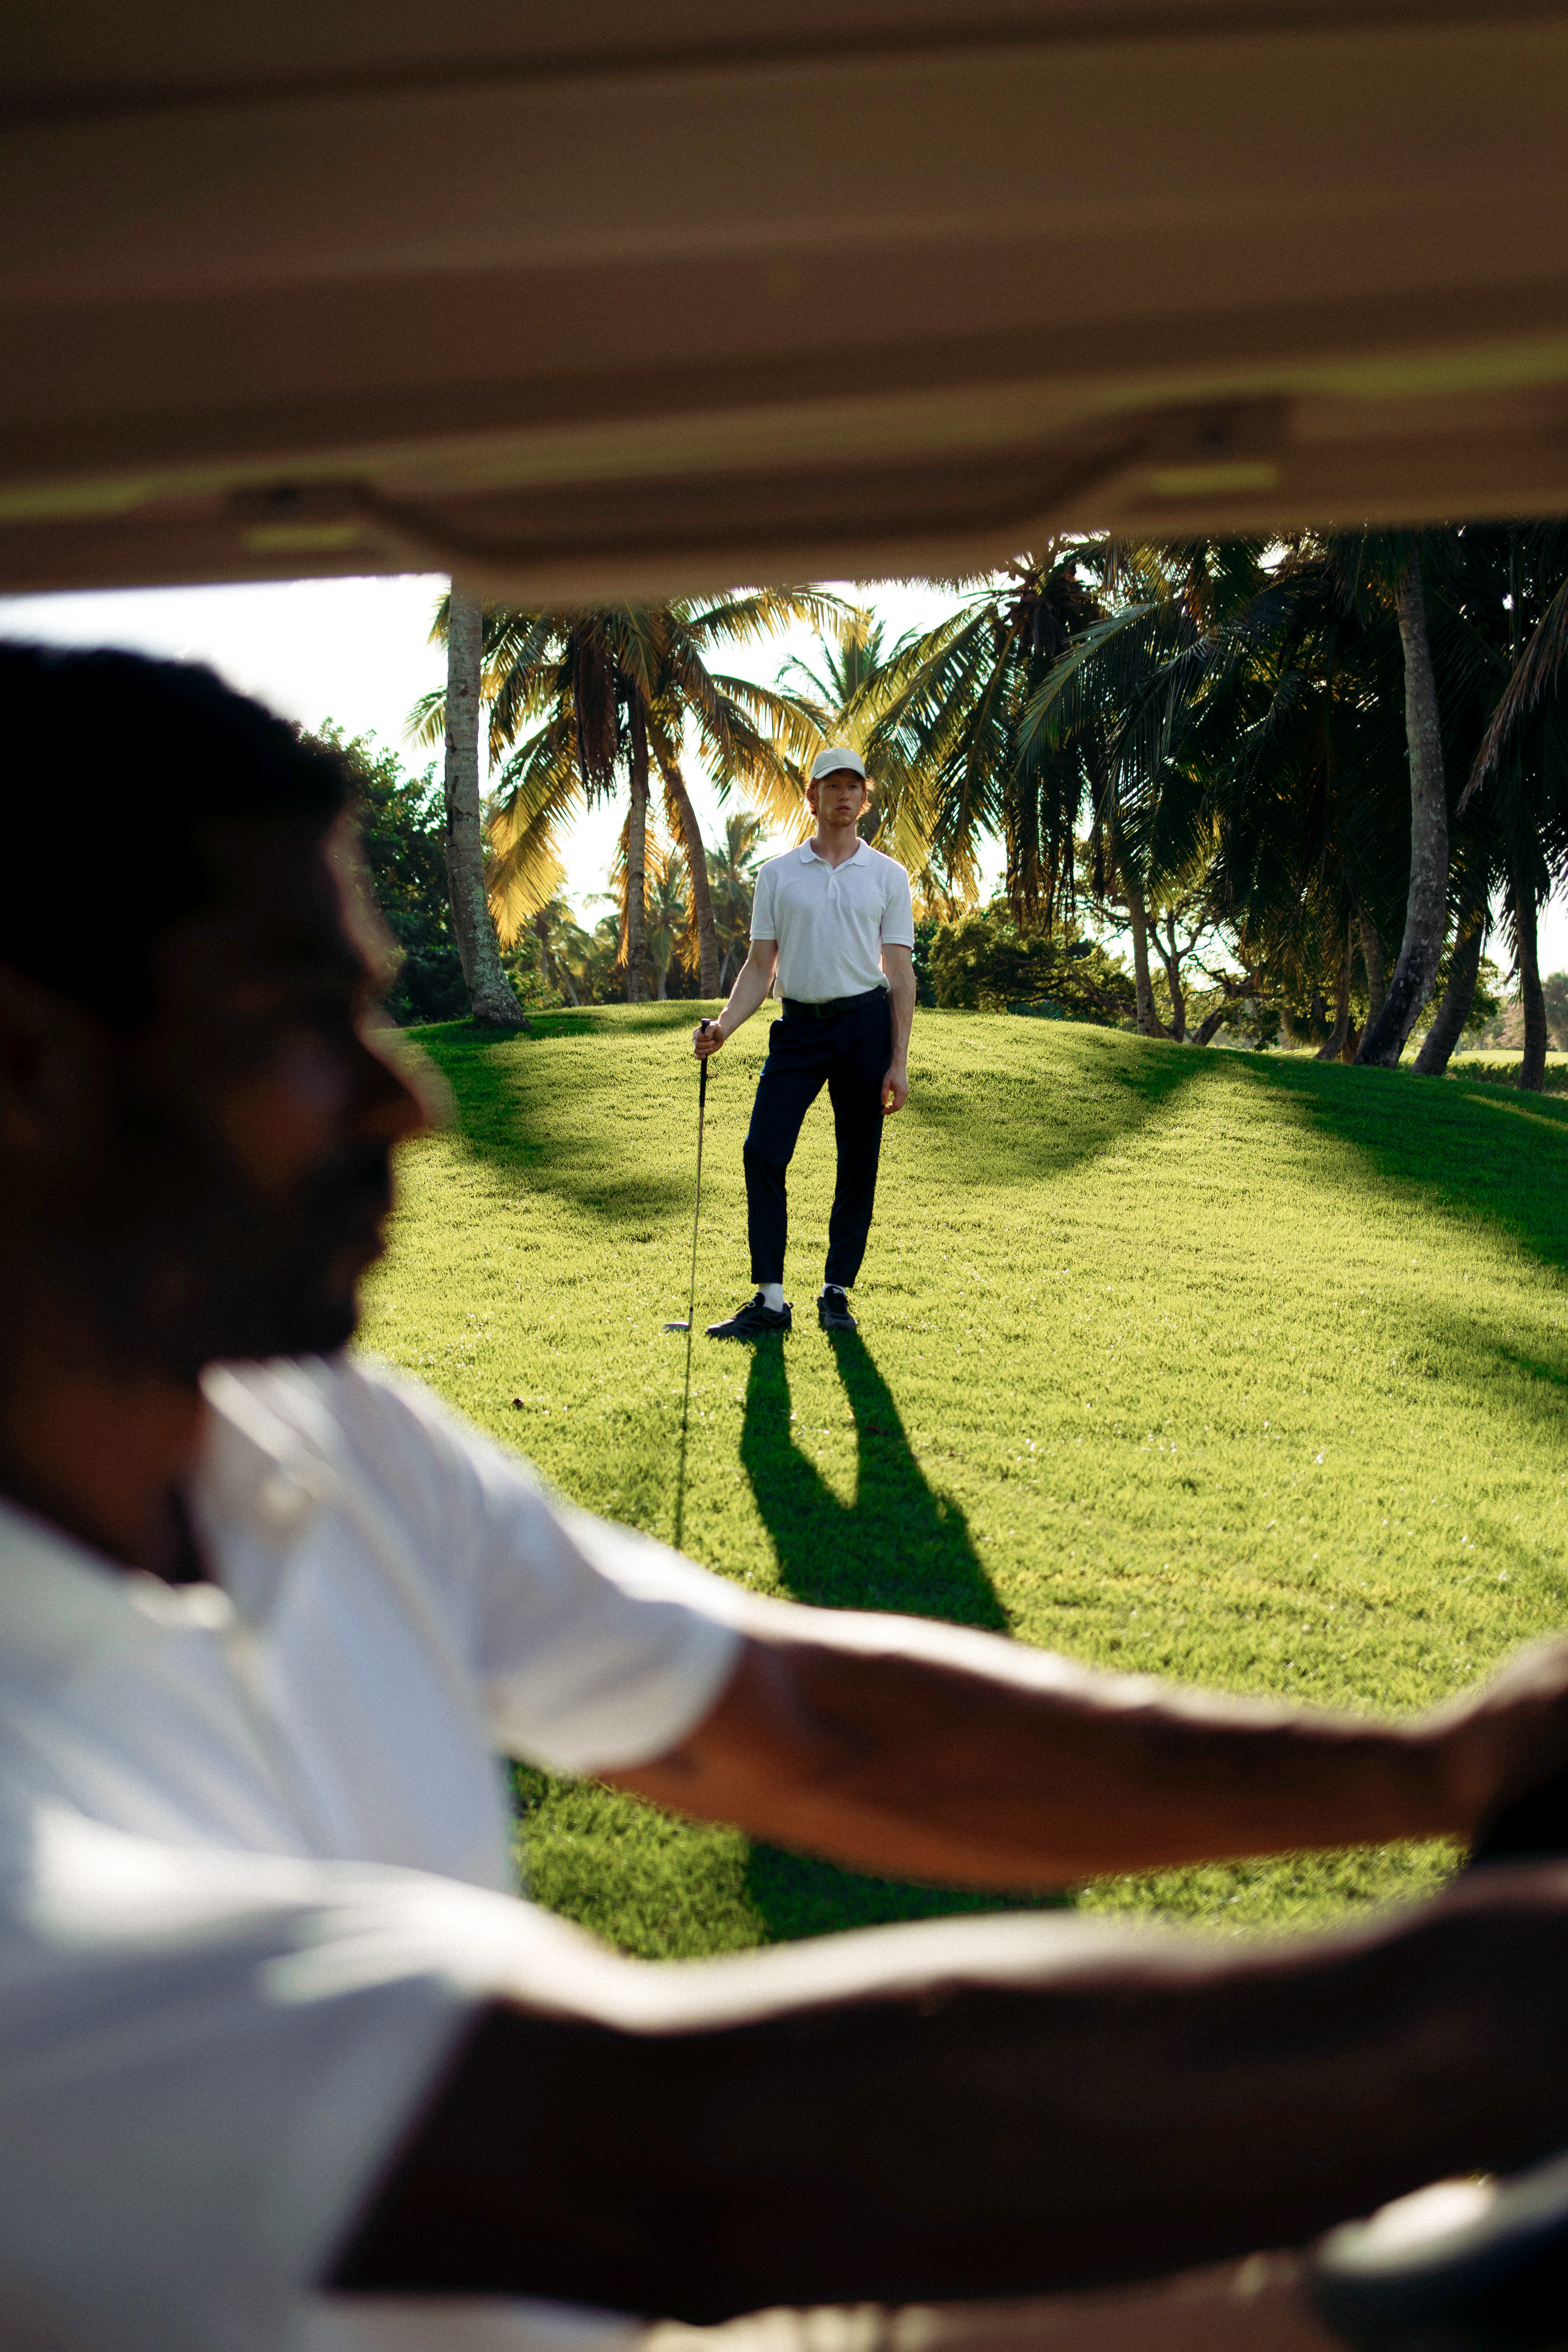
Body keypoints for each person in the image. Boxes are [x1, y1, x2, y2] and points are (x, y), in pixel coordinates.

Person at [5, 639, 1568, 2352]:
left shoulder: (310, 1436)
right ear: (27, 1075)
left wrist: (1443, 1768)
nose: (411, 1098)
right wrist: (1492, 2011)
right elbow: (672, 2171)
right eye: (308, 1021)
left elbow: (803, 1719)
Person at [695, 746, 915, 1338]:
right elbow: (759, 966)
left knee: (858, 1159)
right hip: (798, 1029)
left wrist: (898, 1061)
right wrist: (722, 1027)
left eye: (853, 787)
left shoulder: (890, 877)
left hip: (865, 1027)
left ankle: (836, 1291)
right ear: (811, 795)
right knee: (762, 1149)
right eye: (831, 786)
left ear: (865, 799)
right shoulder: (777, 874)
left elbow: (900, 974)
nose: (843, 796)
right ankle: (770, 1301)